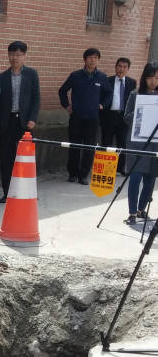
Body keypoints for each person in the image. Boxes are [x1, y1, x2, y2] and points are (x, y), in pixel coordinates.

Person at [0, 41, 40, 203]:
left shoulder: (32, 75)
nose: (15, 58)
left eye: (18, 55)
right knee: (6, 159)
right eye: (12, 54)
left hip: (25, 123)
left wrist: (33, 118)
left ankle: (26, 192)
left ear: (25, 56)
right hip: (7, 123)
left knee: (25, 159)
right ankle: (8, 193)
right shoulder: (1, 78)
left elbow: (36, 98)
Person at [59, 48, 113, 185]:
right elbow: (62, 91)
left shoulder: (102, 77)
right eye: (90, 57)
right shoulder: (75, 75)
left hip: (92, 119)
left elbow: (109, 94)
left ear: (98, 60)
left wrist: (103, 105)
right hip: (76, 117)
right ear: (85, 59)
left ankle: (83, 175)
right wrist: (67, 106)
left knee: (89, 148)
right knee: (74, 147)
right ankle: (72, 174)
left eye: (95, 57)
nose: (92, 60)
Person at [123, 62, 158, 225]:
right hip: (136, 142)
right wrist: (141, 113)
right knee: (135, 177)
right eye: (150, 78)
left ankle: (141, 209)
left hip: (155, 144)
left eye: (156, 78)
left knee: (150, 178)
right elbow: (126, 117)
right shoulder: (135, 94)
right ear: (144, 78)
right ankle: (131, 212)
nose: (153, 82)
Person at [101, 57, 136, 177]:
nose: (121, 69)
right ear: (116, 67)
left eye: (124, 67)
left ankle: (121, 168)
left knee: (123, 144)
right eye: (119, 66)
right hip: (109, 116)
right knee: (107, 142)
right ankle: (106, 169)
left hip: (123, 117)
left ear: (128, 69)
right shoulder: (107, 80)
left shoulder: (132, 82)